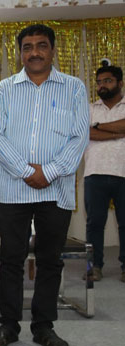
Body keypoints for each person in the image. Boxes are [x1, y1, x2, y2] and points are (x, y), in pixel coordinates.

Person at [0, 24, 89, 346]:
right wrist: (26, 171)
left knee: (49, 260)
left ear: (52, 50)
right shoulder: (5, 89)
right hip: (13, 189)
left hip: (55, 190)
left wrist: (50, 172)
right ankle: (8, 326)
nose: (34, 52)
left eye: (41, 45)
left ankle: (43, 327)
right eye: (27, 47)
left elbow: (79, 136)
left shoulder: (73, 88)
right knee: (11, 260)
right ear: (20, 53)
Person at [83, 64, 125, 282]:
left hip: (123, 172)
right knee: (94, 224)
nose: (102, 86)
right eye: (99, 82)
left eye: (107, 81)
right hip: (94, 172)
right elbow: (85, 133)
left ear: (120, 83)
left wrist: (98, 126)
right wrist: (117, 133)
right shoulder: (89, 109)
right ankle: (94, 266)